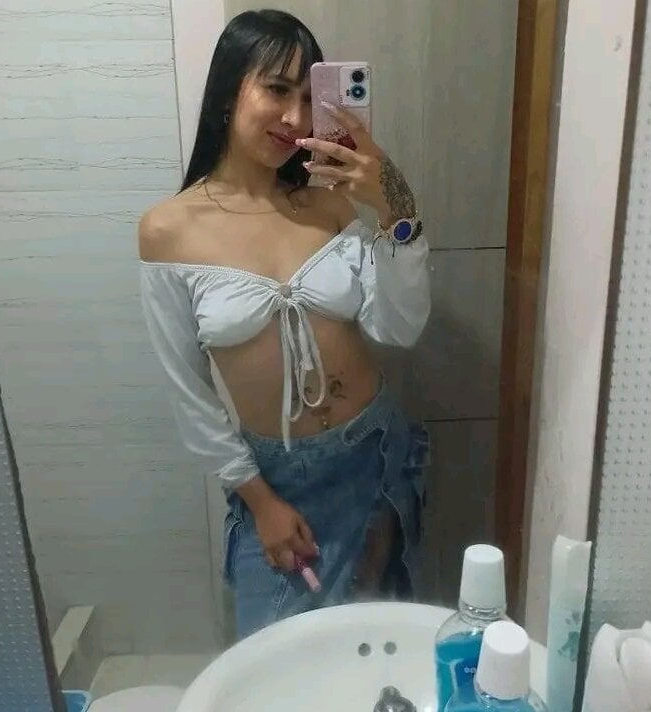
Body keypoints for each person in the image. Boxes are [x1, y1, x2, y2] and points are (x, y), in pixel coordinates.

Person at [138, 8, 431, 640]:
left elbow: (399, 326)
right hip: (278, 482)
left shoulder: (329, 202)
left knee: (374, 653)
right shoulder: (168, 230)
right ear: (228, 92)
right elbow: (189, 395)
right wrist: (261, 502)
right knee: (278, 662)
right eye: (276, 90)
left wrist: (394, 204)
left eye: (307, 97)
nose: (296, 119)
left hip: (375, 456)